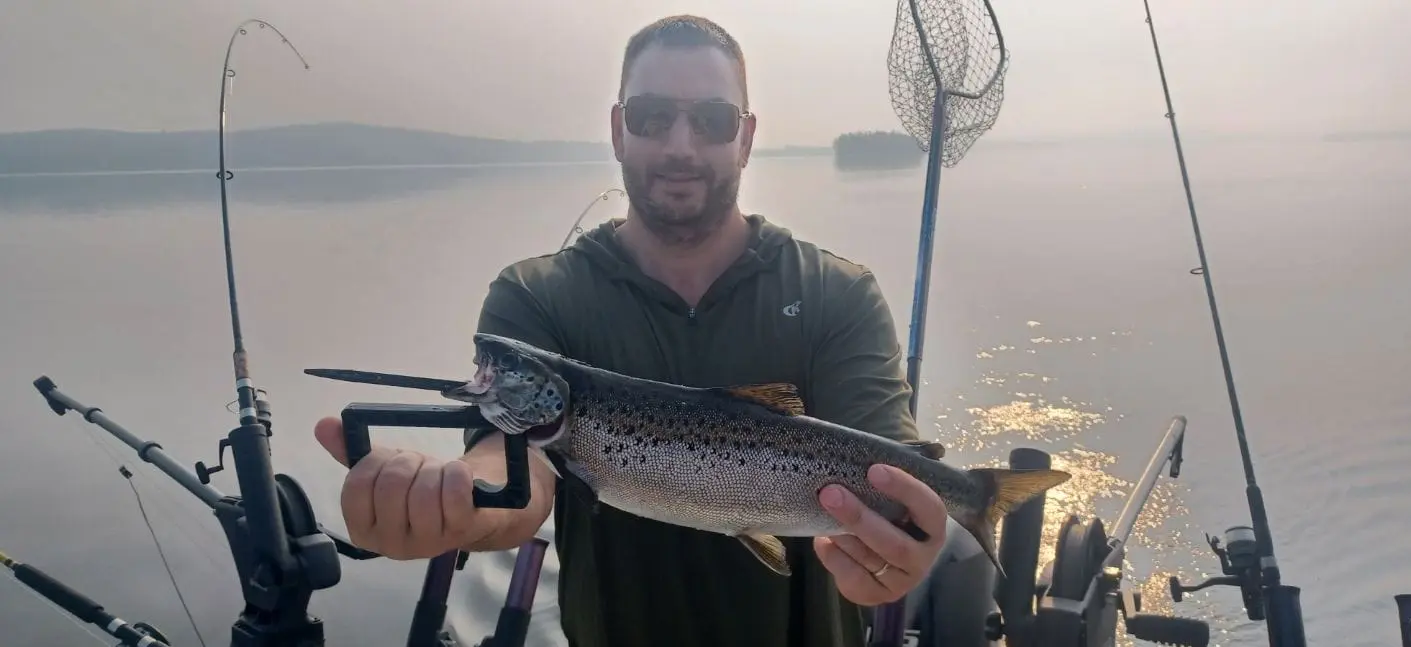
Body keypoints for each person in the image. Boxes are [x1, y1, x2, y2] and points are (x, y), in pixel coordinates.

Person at [313, 14, 953, 647]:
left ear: (746, 138)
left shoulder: (835, 293)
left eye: (712, 120)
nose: (681, 145)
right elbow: (515, 469)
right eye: (652, 117)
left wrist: (908, 545)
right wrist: (457, 502)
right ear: (619, 130)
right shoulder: (536, 297)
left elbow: (892, 469)